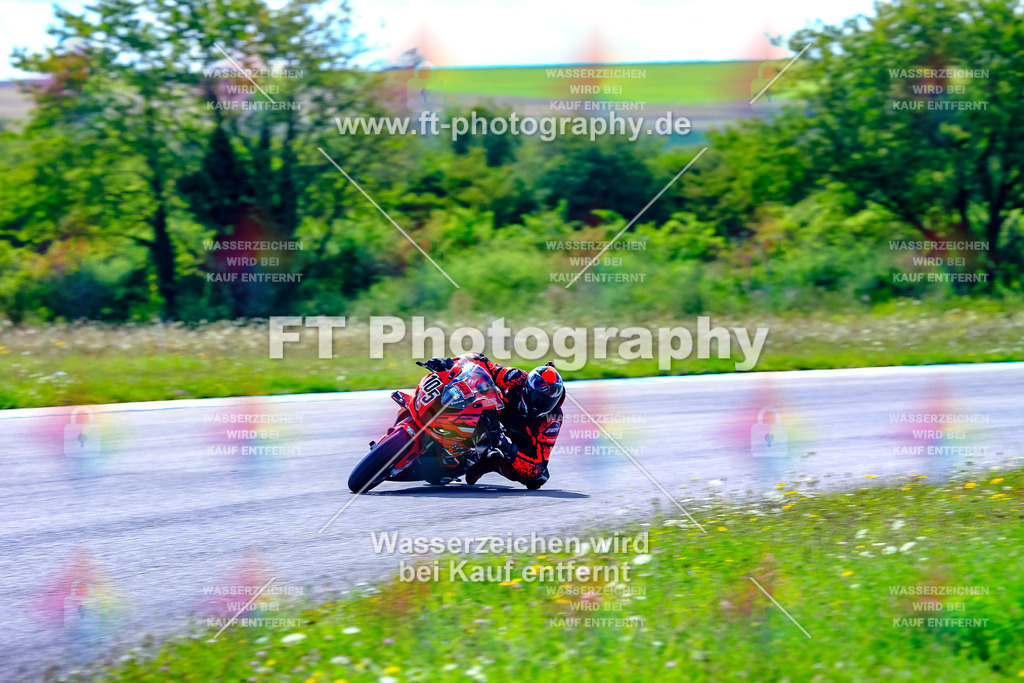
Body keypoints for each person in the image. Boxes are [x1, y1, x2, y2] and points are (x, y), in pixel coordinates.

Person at [420, 353, 564, 490]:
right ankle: (448, 435)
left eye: (546, 402)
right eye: (537, 397)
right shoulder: (516, 378)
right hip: (498, 410)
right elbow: (481, 361)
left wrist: (506, 446)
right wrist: (449, 362)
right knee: (467, 392)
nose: (538, 404)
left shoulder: (552, 421)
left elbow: (538, 466)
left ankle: (492, 463)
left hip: (522, 437)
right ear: (527, 387)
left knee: (537, 479)